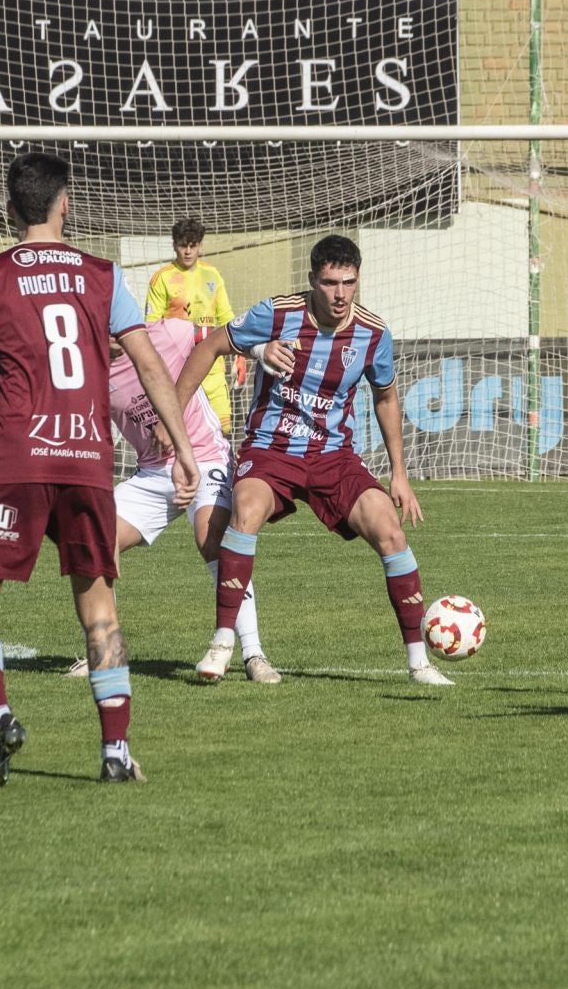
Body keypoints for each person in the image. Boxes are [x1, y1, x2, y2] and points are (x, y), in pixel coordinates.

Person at [0, 151, 197, 787]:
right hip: (86, 460)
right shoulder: (103, 275)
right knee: (99, 610)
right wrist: (183, 448)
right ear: (65, 202)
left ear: (8, 206)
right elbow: (152, 366)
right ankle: (115, 751)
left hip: (18, 458)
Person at [177, 234, 447, 685]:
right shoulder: (278, 313)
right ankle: (223, 642)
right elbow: (209, 348)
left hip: (333, 456)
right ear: (312, 280)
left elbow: (385, 396)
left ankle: (420, 663)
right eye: (329, 283)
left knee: (390, 529)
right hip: (271, 448)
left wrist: (399, 473)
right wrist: (173, 421)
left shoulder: (373, 333)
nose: (340, 294)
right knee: (245, 513)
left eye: (348, 282)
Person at [81, 317, 277, 684]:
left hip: (205, 457)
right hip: (153, 474)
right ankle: (105, 649)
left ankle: (253, 654)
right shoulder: (91, 374)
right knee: (94, 540)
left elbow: (222, 336)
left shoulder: (166, 333)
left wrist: (258, 349)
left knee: (212, 538)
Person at [147, 217, 235, 432]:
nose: (187, 251)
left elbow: (226, 317)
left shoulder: (212, 275)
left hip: (212, 366)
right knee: (185, 433)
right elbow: (151, 326)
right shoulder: (162, 278)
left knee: (222, 429)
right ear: (174, 245)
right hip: (180, 369)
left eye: (192, 245)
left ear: (200, 246)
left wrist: (239, 355)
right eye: (182, 245)